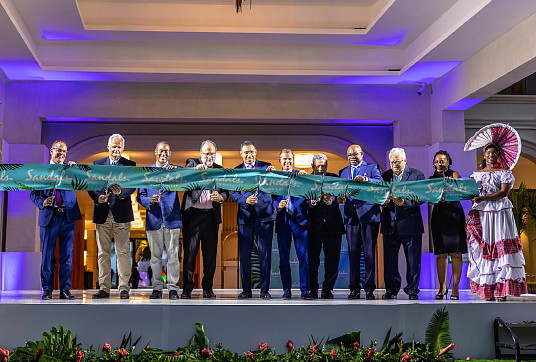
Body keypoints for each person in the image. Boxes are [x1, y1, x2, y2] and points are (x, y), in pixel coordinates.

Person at [466, 143, 527, 301]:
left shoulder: (504, 173)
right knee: (485, 248)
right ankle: (488, 288)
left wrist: (482, 198)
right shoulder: (476, 174)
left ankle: (502, 290)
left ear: (498, 155)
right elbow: (469, 192)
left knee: (501, 249)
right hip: (484, 213)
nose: (491, 155)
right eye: (489, 153)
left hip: (500, 212)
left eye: (494, 153)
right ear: (484, 155)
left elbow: (503, 192)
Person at [30, 141, 82, 300]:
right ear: (52, 151)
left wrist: (76, 171)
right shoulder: (41, 172)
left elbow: (83, 181)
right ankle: (47, 289)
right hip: (49, 218)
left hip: (67, 217)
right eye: (59, 150)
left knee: (67, 256)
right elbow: (33, 195)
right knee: (47, 256)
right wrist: (42, 202)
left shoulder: (70, 170)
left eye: (65, 152)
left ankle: (65, 290)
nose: (62, 154)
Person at [88, 134, 136, 299]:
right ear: (108, 147)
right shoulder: (97, 164)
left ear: (123, 148)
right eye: (113, 146)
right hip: (103, 213)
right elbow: (90, 185)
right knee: (103, 253)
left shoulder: (130, 165)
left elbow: (133, 186)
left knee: (123, 252)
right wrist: (97, 197)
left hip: (121, 214)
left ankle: (123, 288)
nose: (116, 149)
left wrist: (122, 192)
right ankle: (104, 288)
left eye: (119, 147)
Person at [181, 140, 228, 299]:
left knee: (210, 255)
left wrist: (221, 197)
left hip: (211, 217)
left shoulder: (220, 170)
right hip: (193, 216)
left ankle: (208, 288)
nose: (209, 156)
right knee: (190, 254)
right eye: (207, 153)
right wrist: (195, 170)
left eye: (212, 154)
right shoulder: (192, 163)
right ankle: (187, 289)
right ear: (201, 154)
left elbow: (226, 192)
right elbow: (185, 175)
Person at [231, 141, 276, 299]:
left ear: (256, 152)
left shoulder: (266, 167)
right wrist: (245, 201)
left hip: (265, 216)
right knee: (244, 255)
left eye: (251, 152)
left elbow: (274, 188)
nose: (249, 155)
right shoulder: (235, 171)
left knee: (265, 255)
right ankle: (246, 290)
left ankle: (264, 290)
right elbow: (233, 193)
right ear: (241, 154)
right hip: (246, 216)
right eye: (246, 153)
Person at [137, 142, 182, 300]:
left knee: (173, 256)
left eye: (167, 151)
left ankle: (172, 289)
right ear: (155, 152)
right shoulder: (147, 173)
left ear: (170, 154)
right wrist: (150, 200)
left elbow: (186, 177)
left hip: (172, 219)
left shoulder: (175, 171)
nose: (164, 154)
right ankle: (156, 287)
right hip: (153, 219)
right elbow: (140, 196)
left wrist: (176, 171)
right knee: (155, 257)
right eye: (161, 151)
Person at [339, 144, 383, 300]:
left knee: (370, 255)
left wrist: (365, 179)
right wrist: (340, 198)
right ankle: (354, 289)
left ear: (362, 154)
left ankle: (369, 288)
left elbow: (380, 184)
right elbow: (341, 191)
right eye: (349, 154)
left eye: (355, 154)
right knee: (353, 255)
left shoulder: (372, 168)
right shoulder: (343, 172)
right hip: (351, 218)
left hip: (369, 216)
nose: (352, 157)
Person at [380, 147, 425, 300]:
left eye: (398, 162)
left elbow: (422, 196)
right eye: (392, 162)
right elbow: (378, 194)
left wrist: (405, 202)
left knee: (413, 261)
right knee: (389, 262)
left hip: (410, 224)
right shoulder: (384, 176)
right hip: (389, 224)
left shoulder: (416, 175)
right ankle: (391, 290)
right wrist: (383, 202)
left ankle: (412, 289)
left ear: (405, 161)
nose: (395, 165)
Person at [273, 149, 312, 300]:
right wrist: (278, 204)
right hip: (283, 221)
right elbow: (270, 198)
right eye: (284, 159)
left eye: (290, 159)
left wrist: (312, 202)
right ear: (280, 160)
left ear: (293, 160)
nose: (287, 162)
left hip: (300, 221)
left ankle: (305, 290)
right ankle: (286, 290)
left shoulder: (301, 176)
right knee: (283, 259)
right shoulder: (275, 178)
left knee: (304, 257)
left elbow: (309, 197)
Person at [429, 150, 467, 300]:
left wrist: (447, 192)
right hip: (439, 216)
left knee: (456, 253)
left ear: (448, 163)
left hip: (454, 215)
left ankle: (456, 288)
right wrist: (436, 199)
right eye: (437, 161)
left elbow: (457, 189)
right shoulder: (431, 179)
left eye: (442, 161)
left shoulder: (454, 174)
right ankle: (442, 287)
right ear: (434, 163)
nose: (439, 163)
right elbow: (430, 200)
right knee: (441, 254)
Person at [308, 154, 345, 299]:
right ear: (312, 166)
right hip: (313, 226)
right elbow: (302, 201)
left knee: (332, 260)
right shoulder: (307, 180)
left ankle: (327, 289)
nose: (320, 168)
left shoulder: (334, 178)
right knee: (312, 260)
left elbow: (340, 196)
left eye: (323, 166)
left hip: (333, 226)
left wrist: (332, 201)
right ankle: (313, 289)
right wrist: (311, 202)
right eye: (318, 165)